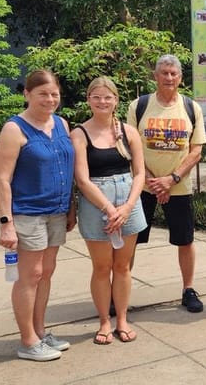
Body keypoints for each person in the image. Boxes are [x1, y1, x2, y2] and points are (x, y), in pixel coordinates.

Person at [0, 69, 75, 361]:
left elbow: (68, 169)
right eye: (43, 93)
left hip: (57, 212)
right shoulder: (14, 129)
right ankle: (27, 340)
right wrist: (6, 224)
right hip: (28, 213)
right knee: (31, 275)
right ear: (27, 94)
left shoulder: (62, 124)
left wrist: (71, 208)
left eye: (54, 94)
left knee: (46, 273)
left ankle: (40, 331)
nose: (50, 99)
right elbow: (2, 179)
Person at [127, 54, 206, 313]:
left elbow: (196, 150)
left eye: (173, 73)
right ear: (156, 76)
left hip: (179, 187)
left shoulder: (191, 107)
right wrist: (152, 180)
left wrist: (171, 179)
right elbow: (131, 146)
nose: (169, 78)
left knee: (185, 240)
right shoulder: (138, 106)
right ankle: (121, 291)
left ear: (180, 78)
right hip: (143, 187)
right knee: (131, 241)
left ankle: (188, 289)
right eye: (164, 73)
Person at [70, 77, 146, 345]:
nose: (102, 102)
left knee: (123, 266)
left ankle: (122, 318)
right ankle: (104, 321)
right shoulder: (79, 134)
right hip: (96, 202)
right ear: (88, 99)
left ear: (116, 100)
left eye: (108, 97)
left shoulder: (129, 132)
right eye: (96, 97)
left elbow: (139, 173)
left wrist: (126, 207)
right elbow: (82, 178)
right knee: (102, 267)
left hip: (128, 199)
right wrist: (108, 208)